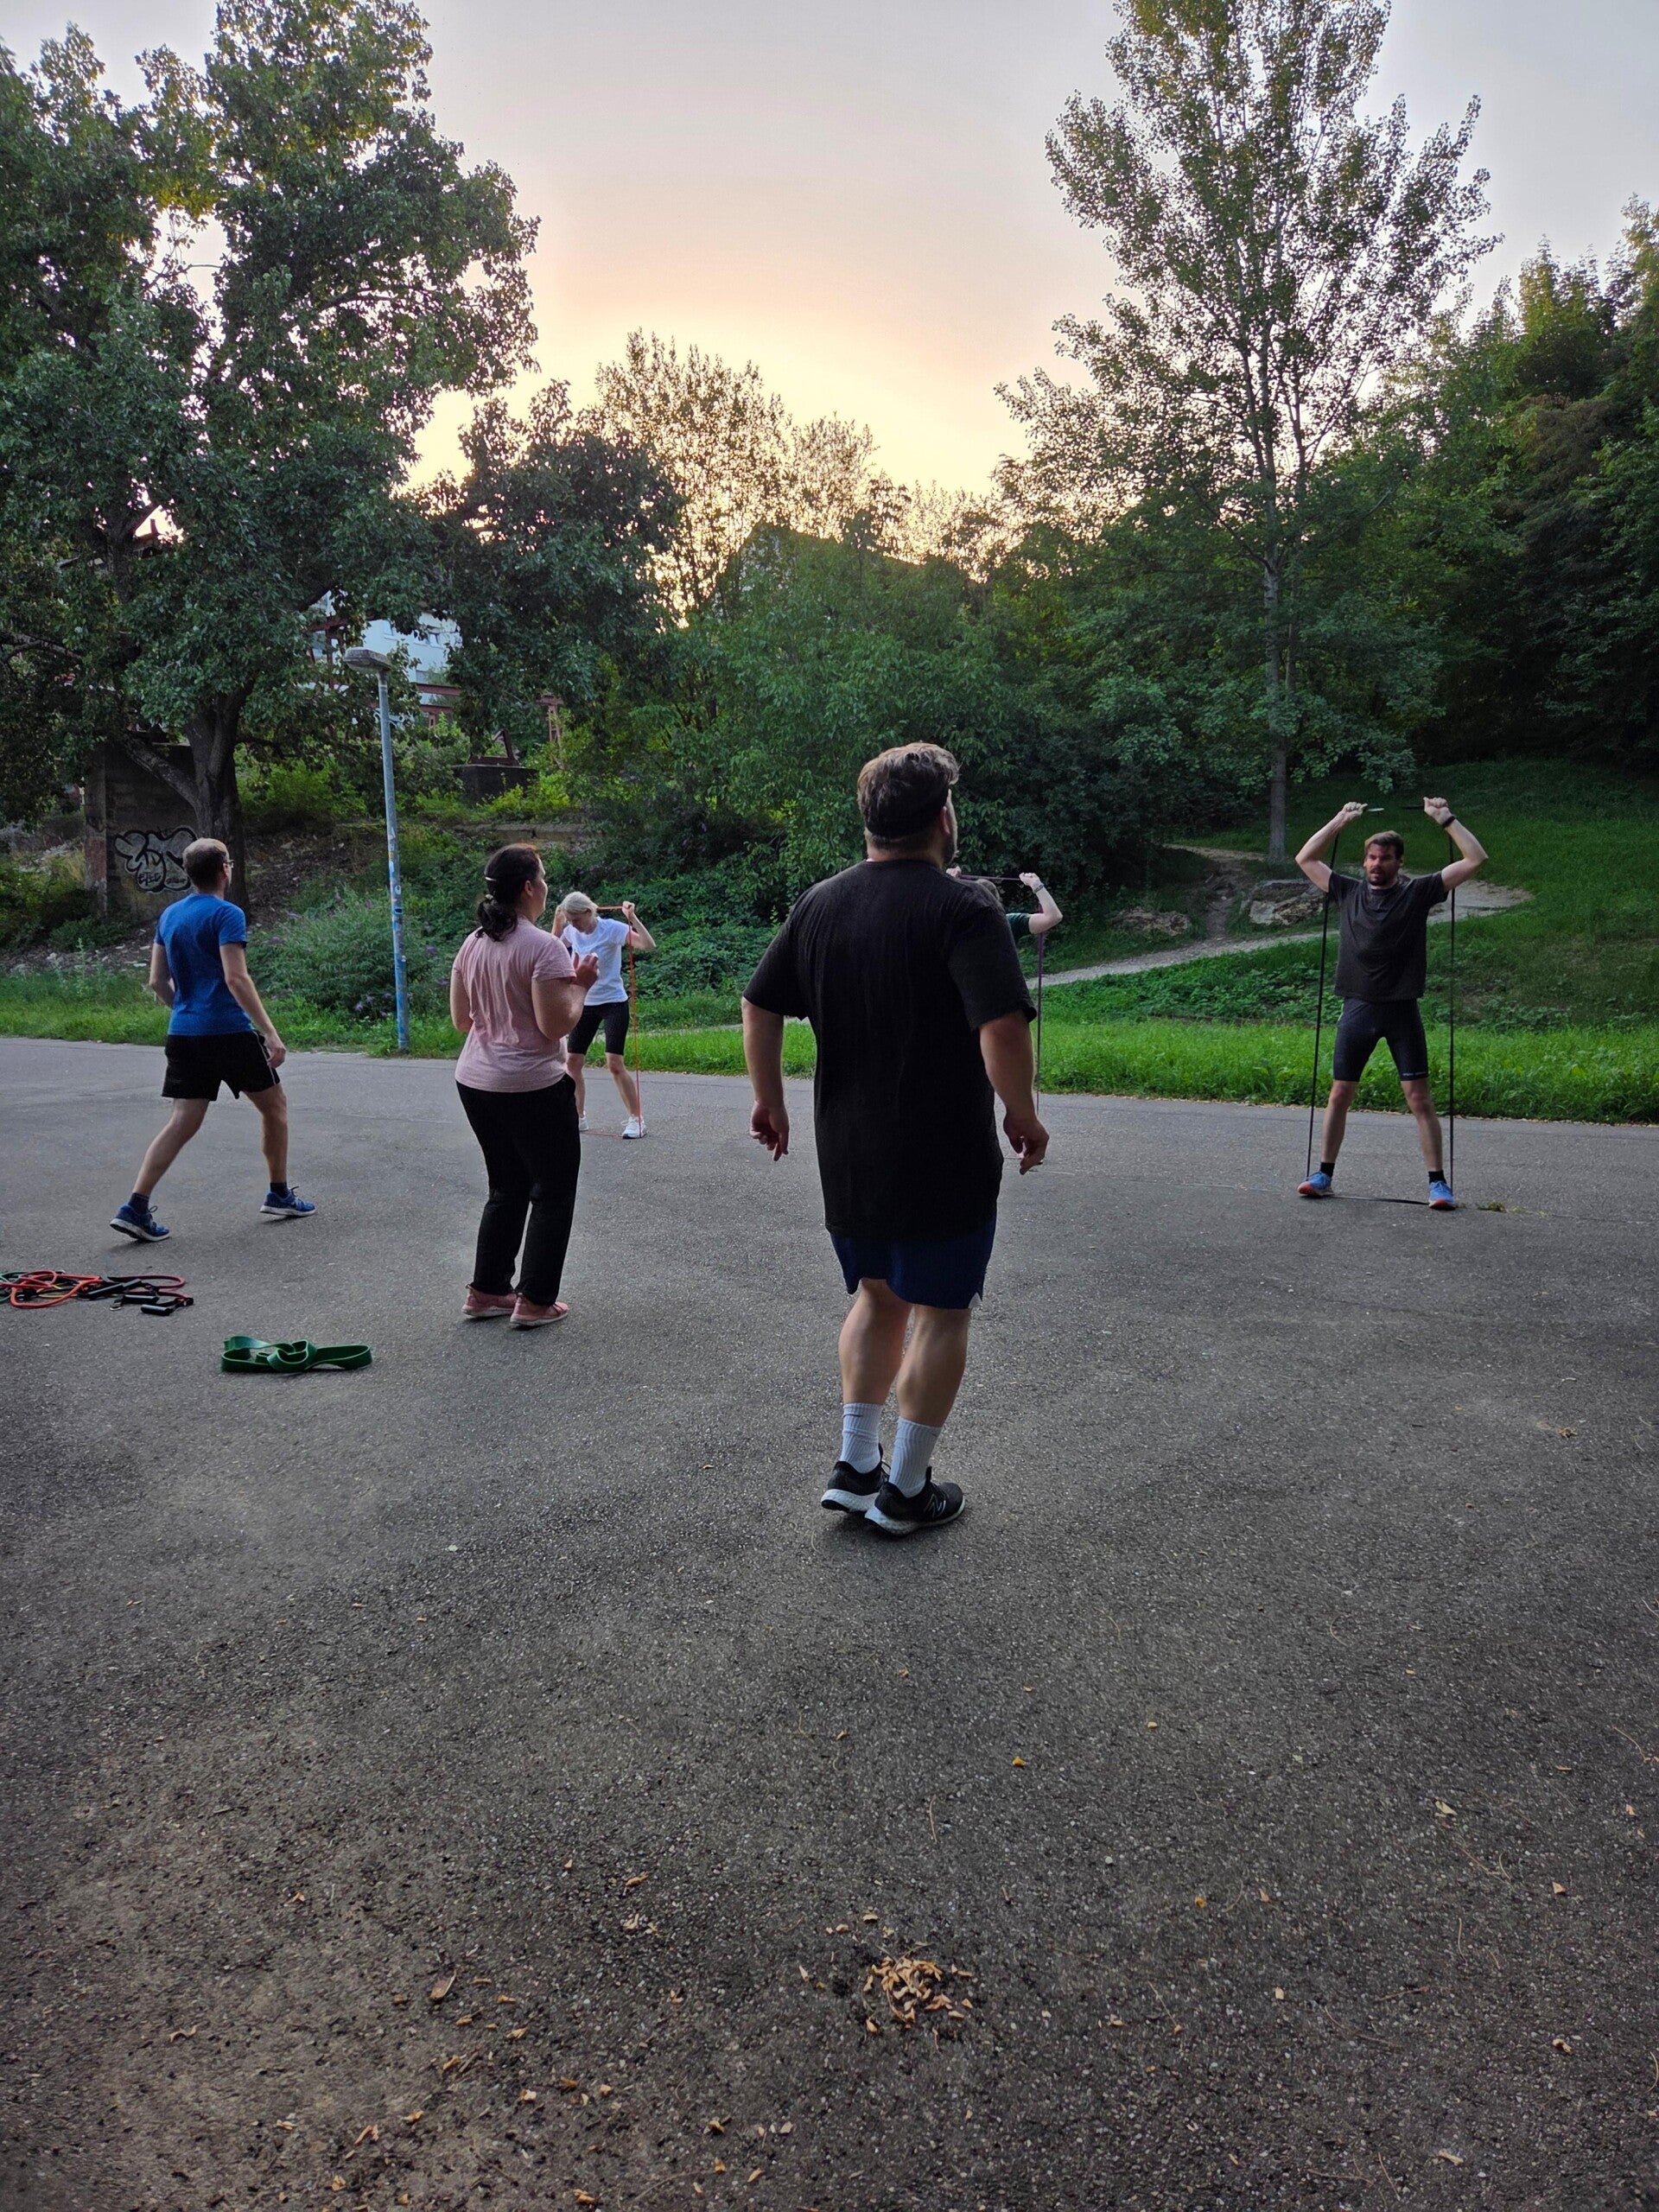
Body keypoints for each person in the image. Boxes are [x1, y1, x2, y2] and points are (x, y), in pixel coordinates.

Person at [742, 741, 1049, 1536]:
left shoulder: (820, 903)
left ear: (868, 819)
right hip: (941, 1153)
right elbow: (1002, 1029)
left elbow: (759, 1002)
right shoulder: (965, 906)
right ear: (943, 817)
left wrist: (767, 1100)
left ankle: (856, 1466)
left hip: (849, 1153)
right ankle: (907, 1489)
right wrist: (1021, 1111)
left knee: (877, 1298)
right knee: (943, 1310)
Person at [111, 837, 313, 1243]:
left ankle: (135, 1206)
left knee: (182, 1121)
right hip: (229, 1032)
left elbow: (156, 980)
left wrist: (185, 1010)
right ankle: (278, 1194)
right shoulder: (227, 914)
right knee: (275, 1108)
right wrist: (271, 1033)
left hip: (184, 1033)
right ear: (224, 869)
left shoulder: (169, 915)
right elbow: (235, 977)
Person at [1294, 797, 1487, 1208]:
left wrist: (1446, 819)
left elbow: (1474, 859)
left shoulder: (1417, 893)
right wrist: (1338, 822)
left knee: (1419, 1097)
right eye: (1371, 857)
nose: (1376, 864)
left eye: (1385, 858)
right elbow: (1306, 858)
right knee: (1339, 1094)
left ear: (1400, 862)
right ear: (1364, 861)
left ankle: (1438, 1184)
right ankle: (1323, 1175)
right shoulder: (1347, 891)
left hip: (1402, 1009)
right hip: (1358, 1008)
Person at [450, 845, 599, 1327]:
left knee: (506, 1184)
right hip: (532, 1085)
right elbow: (556, 1025)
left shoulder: (473, 943)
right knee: (553, 1189)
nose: (548, 886)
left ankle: (488, 1290)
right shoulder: (542, 947)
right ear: (530, 889)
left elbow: (460, 1020)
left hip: (475, 1081)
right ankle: (535, 1300)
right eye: (544, 878)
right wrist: (580, 985)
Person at [552, 891, 656, 1138]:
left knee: (614, 1063)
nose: (574, 926)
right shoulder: (570, 931)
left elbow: (648, 945)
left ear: (589, 912)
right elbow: (550, 950)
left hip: (613, 1003)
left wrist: (633, 918)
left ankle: (637, 1120)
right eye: (570, 921)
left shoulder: (611, 929)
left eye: (576, 920)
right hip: (584, 1001)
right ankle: (578, 1117)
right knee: (573, 1062)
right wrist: (558, 925)